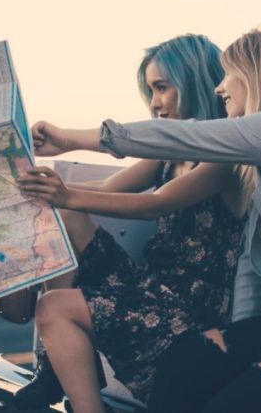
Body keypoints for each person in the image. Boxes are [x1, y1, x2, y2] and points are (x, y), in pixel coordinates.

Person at [29, 27, 261, 413]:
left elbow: (181, 141)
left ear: (255, 74)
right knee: (186, 366)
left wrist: (70, 140)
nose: (219, 87)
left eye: (228, 75)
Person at [15, 34, 247, 412]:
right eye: (150, 90)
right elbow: (106, 188)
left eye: (162, 88)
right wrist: (38, 189)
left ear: (193, 81)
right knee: (65, 214)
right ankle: (53, 370)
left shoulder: (224, 156)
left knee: (53, 308)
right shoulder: (168, 154)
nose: (155, 103)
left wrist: (65, 194)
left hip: (190, 307)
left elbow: (154, 205)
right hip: (152, 287)